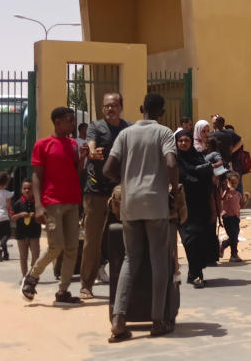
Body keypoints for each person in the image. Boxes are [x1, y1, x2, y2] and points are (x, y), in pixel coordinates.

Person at [103, 93, 179, 341]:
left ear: (140, 108)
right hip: (155, 204)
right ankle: (158, 320)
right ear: (162, 111)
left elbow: (107, 169)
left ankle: (119, 319)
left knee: (130, 259)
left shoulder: (126, 134)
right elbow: (170, 163)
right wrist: (174, 188)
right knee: (160, 261)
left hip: (130, 203)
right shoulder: (165, 133)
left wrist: (126, 181)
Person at [20, 107, 86, 304]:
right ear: (57, 122)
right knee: (56, 246)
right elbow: (37, 175)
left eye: (73, 120)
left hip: (72, 201)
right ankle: (31, 278)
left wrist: (82, 158)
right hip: (52, 202)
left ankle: (63, 291)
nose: (72, 124)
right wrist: (39, 205)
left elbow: (78, 171)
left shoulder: (73, 144)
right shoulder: (43, 145)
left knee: (72, 248)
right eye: (69, 120)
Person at [80, 92, 129, 300]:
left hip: (121, 190)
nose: (110, 109)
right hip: (96, 190)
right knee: (93, 238)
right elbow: (91, 144)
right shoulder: (95, 126)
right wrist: (91, 152)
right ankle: (86, 284)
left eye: (114, 105)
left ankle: (129, 283)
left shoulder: (129, 128)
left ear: (121, 107)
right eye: (106, 106)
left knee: (128, 236)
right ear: (102, 109)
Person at [176, 131, 222, 288]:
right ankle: (195, 274)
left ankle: (194, 274)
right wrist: (203, 172)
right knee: (190, 240)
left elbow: (209, 178)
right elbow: (184, 176)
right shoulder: (175, 160)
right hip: (184, 206)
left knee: (201, 240)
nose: (183, 143)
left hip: (201, 205)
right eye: (180, 140)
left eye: (186, 140)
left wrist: (204, 172)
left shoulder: (197, 157)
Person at [11, 178, 41, 279]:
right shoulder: (18, 203)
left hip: (34, 233)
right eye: (25, 188)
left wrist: (36, 215)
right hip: (21, 234)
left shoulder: (37, 203)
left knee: (36, 256)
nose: (27, 190)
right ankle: (24, 276)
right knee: (23, 257)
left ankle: (33, 275)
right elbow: (13, 218)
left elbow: (44, 218)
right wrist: (20, 215)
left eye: (29, 188)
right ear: (21, 190)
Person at [220, 171, 249, 262]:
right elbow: (222, 198)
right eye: (232, 183)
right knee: (233, 236)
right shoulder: (225, 193)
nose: (234, 185)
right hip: (227, 217)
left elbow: (242, 205)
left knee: (234, 235)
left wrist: (246, 199)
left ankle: (224, 245)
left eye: (236, 183)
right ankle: (234, 254)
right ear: (227, 182)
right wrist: (227, 189)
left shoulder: (238, 194)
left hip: (236, 218)